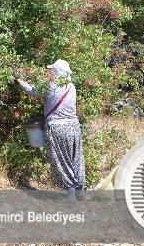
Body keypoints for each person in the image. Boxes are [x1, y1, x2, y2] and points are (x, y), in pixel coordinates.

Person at [16, 59, 86, 202]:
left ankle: (71, 196)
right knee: (76, 158)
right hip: (74, 127)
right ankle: (80, 193)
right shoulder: (72, 86)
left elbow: (32, 91)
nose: (50, 73)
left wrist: (19, 80)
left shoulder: (51, 87)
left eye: (52, 70)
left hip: (57, 128)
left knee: (61, 160)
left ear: (56, 72)